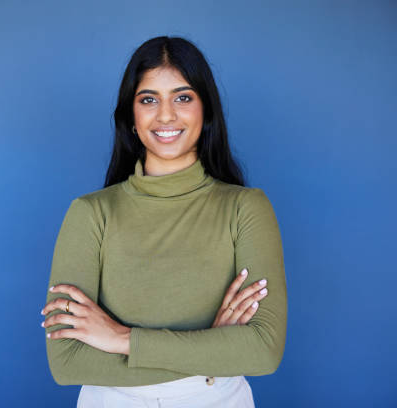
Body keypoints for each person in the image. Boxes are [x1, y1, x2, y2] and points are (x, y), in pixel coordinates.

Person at [40, 35, 287, 407]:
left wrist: (123, 339)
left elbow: (263, 351)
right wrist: (212, 349)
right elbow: (67, 362)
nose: (166, 115)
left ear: (206, 110)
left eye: (183, 97)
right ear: (131, 115)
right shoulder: (90, 213)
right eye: (149, 99)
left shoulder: (245, 208)